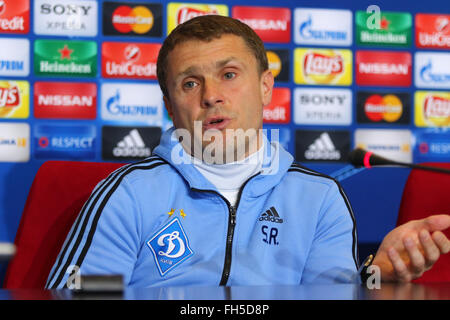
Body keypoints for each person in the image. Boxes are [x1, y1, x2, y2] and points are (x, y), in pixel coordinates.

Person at [45, 15, 450, 289]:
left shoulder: (320, 198)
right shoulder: (129, 193)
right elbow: (76, 293)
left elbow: (331, 295)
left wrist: (376, 277)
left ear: (265, 87)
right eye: (189, 83)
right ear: (169, 104)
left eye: (229, 75)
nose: (212, 97)